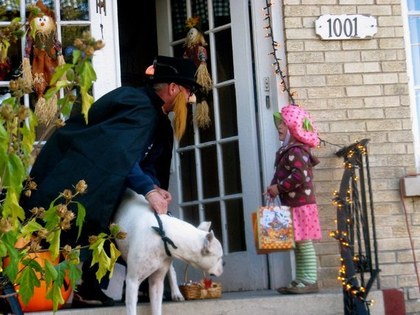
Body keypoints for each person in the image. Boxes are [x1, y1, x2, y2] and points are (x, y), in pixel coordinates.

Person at [20, 55, 201, 307]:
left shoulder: (158, 121)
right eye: (187, 90)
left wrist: (155, 186)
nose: (190, 97)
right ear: (173, 88)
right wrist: (147, 190)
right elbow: (116, 153)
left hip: (114, 180)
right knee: (91, 220)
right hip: (80, 174)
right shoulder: (137, 105)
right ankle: (78, 287)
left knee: (129, 218)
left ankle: (120, 286)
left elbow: (143, 161)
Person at [265, 104, 321, 294]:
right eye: (279, 124)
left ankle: (310, 280)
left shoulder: (296, 151)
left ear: (294, 128)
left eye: (283, 124)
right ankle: (300, 280)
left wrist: (278, 188)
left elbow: (300, 176)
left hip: (302, 205)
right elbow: (281, 174)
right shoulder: (287, 152)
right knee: (298, 243)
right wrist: (273, 187)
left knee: (304, 242)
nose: (279, 127)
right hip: (293, 205)